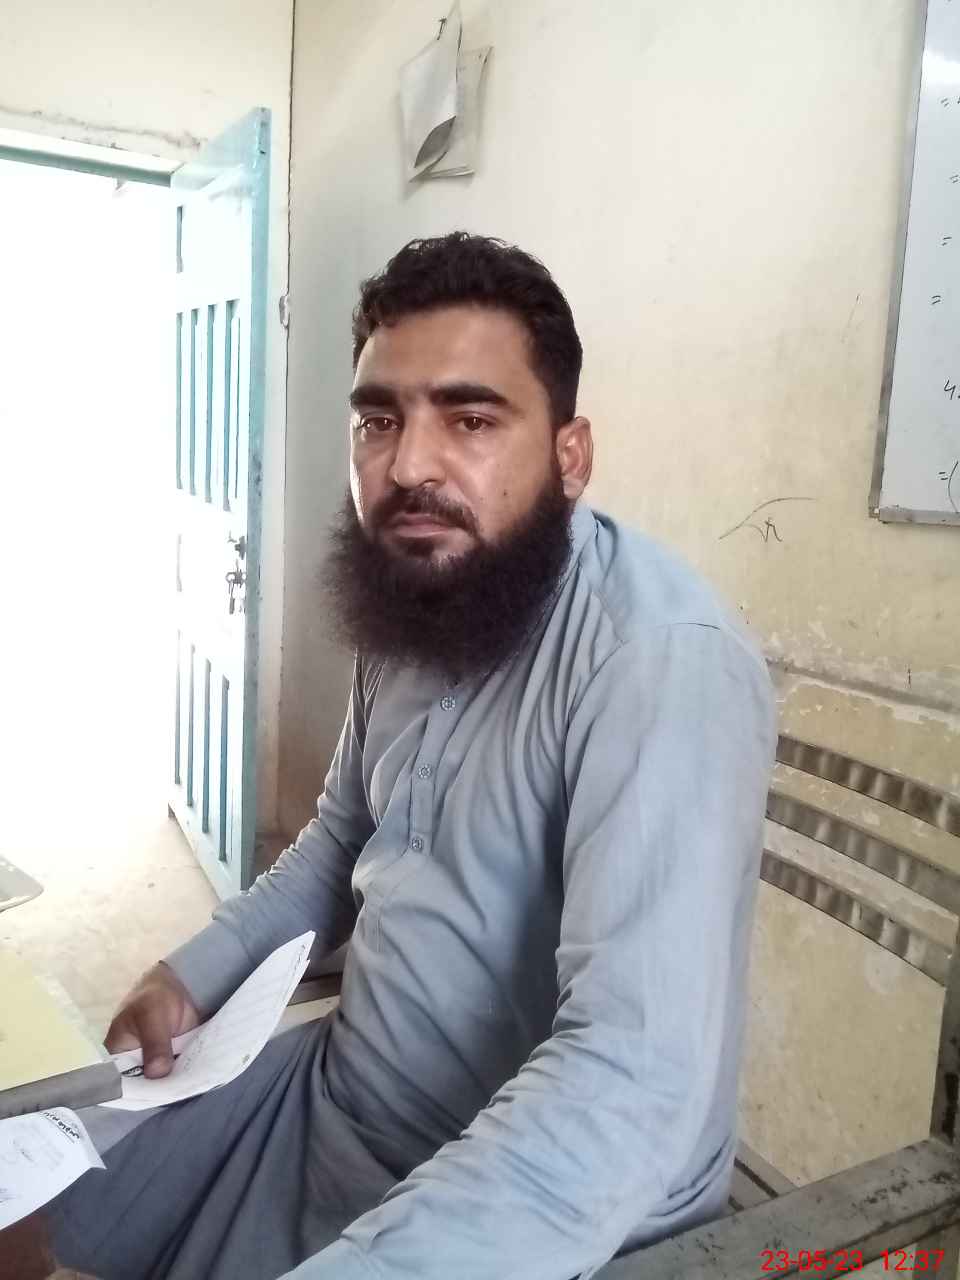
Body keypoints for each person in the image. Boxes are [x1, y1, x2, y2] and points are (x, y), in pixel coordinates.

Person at [44, 233, 775, 1279]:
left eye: (470, 419)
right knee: (30, 1192)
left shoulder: (657, 663)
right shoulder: (430, 599)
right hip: (340, 1097)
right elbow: (339, 840)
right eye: (379, 420)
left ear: (571, 454)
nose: (408, 467)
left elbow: (630, 1077)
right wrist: (189, 973)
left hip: (540, 1201)